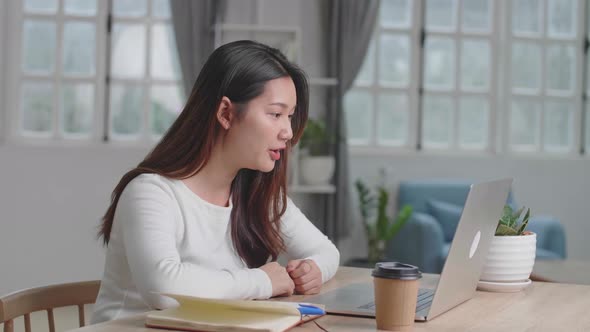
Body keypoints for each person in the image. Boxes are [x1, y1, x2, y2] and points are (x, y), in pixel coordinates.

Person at [90, 40, 340, 324]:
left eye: (290, 117)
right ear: (226, 113)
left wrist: (312, 269)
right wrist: (262, 280)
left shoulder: (259, 195)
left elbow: (326, 251)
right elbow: (164, 289)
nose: (288, 132)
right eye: (275, 114)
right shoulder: (151, 192)